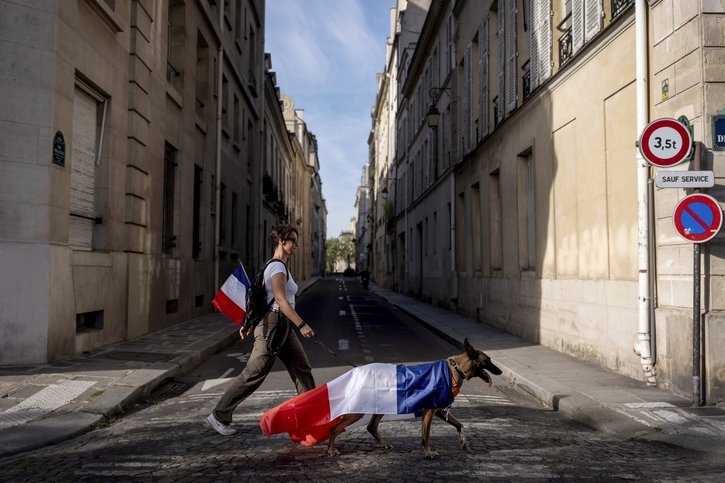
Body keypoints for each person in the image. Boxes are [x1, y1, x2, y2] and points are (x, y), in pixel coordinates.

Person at [206, 224, 316, 435]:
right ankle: (219, 415)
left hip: (282, 326)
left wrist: (249, 323)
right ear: (282, 241)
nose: (296, 244)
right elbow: (281, 300)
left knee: (302, 369)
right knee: (254, 373)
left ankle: (310, 417)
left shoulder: (281, 265)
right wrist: (302, 324)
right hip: (273, 325)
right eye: (293, 240)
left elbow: (265, 298)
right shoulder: (276, 267)